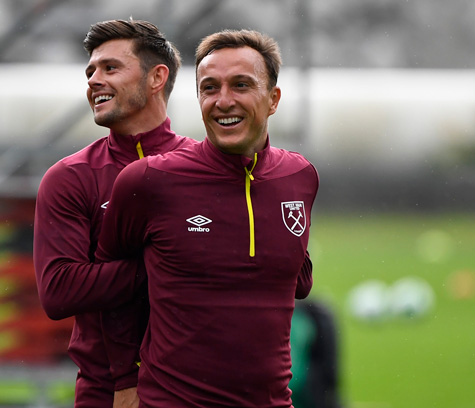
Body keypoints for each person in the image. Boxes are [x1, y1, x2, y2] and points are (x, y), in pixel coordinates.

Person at [96, 29, 319, 407]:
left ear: (273, 99)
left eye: (241, 85)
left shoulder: (299, 177)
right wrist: (123, 380)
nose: (223, 101)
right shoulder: (148, 180)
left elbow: (296, 279)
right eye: (210, 88)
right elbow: (112, 293)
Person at [33, 19, 195, 408]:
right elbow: (59, 290)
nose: (93, 80)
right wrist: (170, 262)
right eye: (90, 71)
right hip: (107, 394)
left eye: (110, 68)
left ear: (157, 78)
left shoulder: (204, 168)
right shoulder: (70, 177)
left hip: (200, 387)